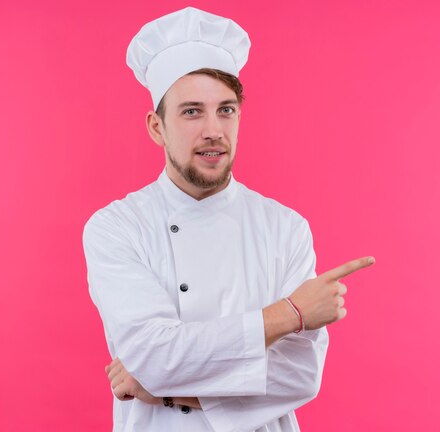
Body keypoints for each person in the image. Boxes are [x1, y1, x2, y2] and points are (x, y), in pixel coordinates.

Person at [83, 7, 375, 431]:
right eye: (191, 112)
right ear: (156, 127)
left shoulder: (285, 228)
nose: (213, 130)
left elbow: (300, 375)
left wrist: (166, 391)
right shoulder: (116, 227)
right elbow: (154, 356)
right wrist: (290, 315)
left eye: (226, 110)